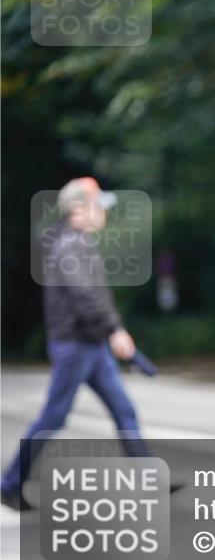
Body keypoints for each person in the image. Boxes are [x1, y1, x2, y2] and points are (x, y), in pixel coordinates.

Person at [1, 178, 154, 510]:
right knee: (53, 417)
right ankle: (9, 483)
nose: (103, 214)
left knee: (123, 410)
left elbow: (94, 296)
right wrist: (115, 330)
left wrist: (111, 331)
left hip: (92, 346)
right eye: (98, 206)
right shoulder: (70, 246)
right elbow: (85, 296)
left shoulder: (79, 244)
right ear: (77, 209)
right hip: (75, 347)